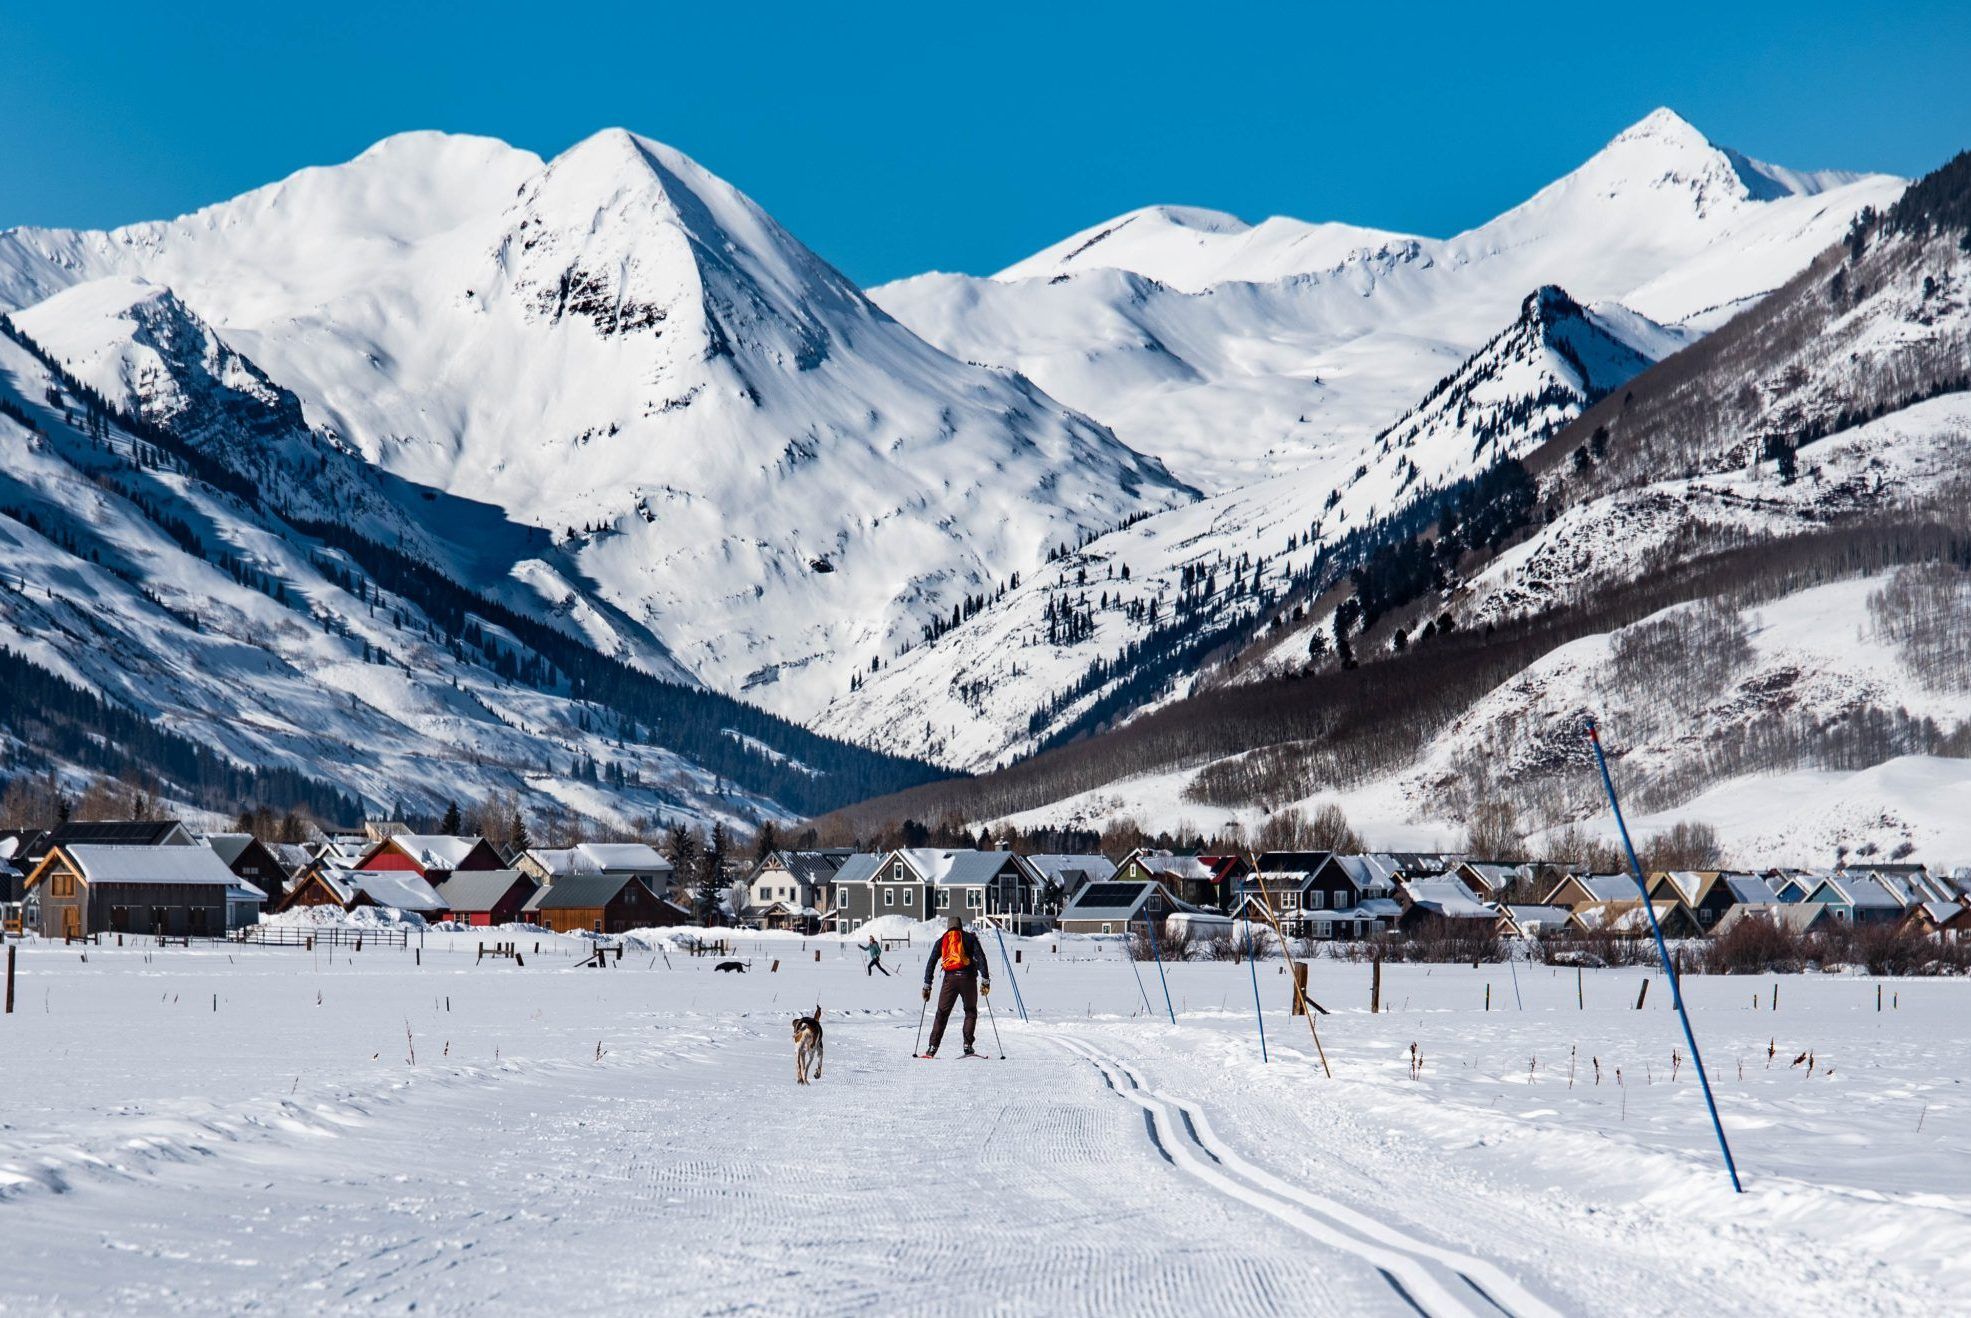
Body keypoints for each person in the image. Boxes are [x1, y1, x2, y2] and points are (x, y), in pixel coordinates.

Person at [920, 911, 990, 1057]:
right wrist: (985, 979)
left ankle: (932, 1047)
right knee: (970, 1011)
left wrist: (927, 984)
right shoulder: (969, 938)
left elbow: (931, 962)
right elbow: (980, 957)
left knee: (942, 1013)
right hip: (968, 979)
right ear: (960, 926)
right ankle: (967, 1045)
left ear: (948, 927)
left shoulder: (942, 940)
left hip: (949, 980)